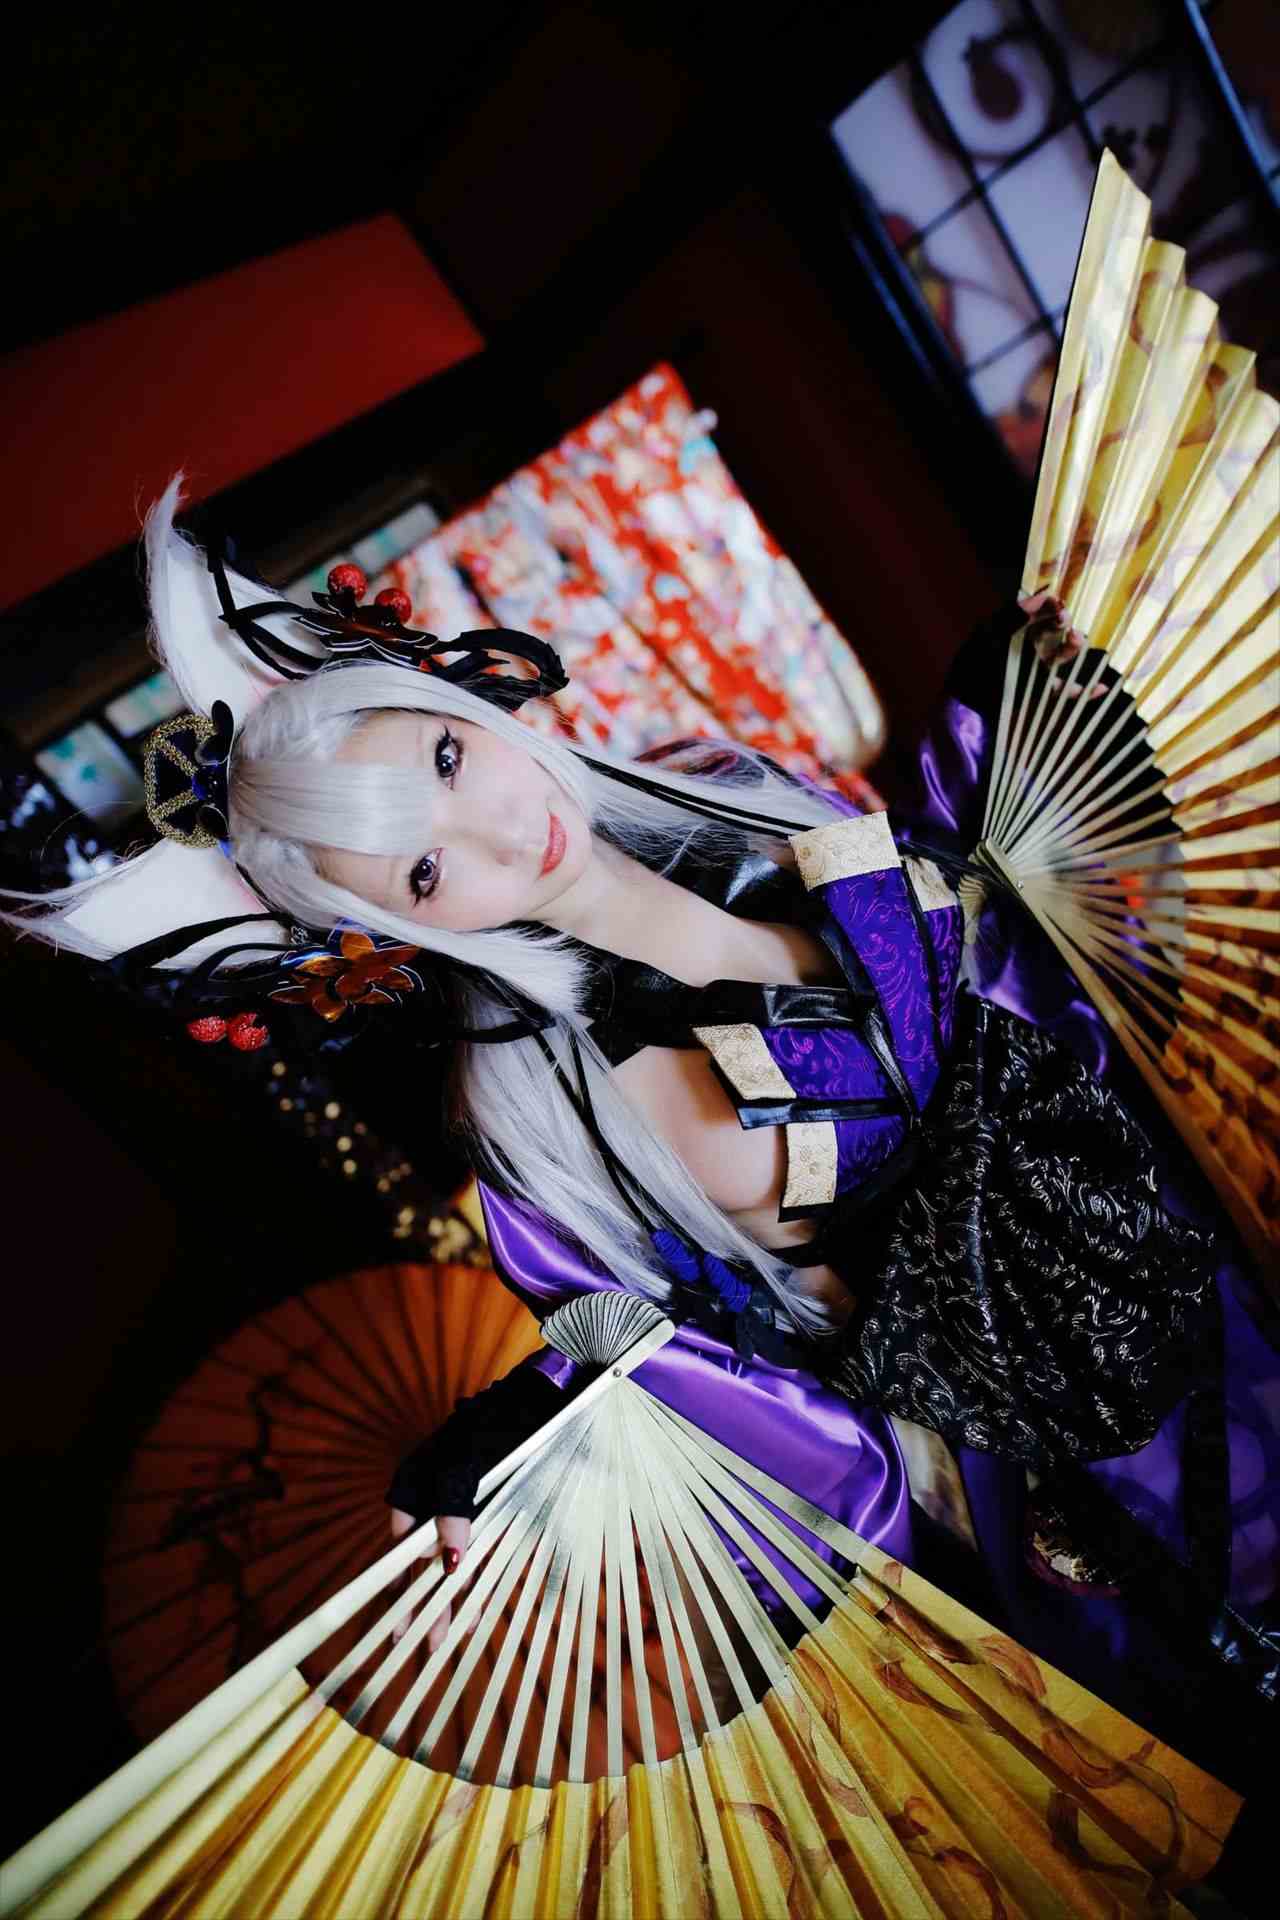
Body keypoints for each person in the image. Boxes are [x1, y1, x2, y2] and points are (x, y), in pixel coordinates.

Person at [6, 483, 1275, 1801]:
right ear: (403, 935)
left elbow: (980, 943)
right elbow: (688, 1360)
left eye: (445, 763)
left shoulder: (727, 791)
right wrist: (515, 1435)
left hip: (1195, 1229)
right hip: (1092, 1476)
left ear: (457, 702)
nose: (504, 831)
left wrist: (1000, 722)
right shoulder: (543, 1134)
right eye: (427, 873)